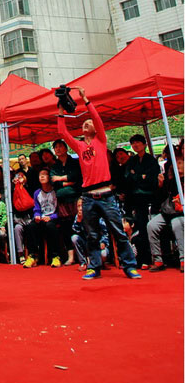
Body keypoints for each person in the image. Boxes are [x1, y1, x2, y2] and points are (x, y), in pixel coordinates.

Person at [57, 86, 140, 279]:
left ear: (95, 128)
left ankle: (129, 266)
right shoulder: (79, 146)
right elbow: (62, 132)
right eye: (84, 123)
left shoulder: (101, 140)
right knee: (92, 235)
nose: (87, 123)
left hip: (106, 195)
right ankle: (94, 267)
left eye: (89, 122)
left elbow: (97, 118)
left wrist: (85, 99)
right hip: (88, 196)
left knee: (118, 232)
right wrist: (61, 109)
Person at [124, 134, 160, 266]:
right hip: (135, 199)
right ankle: (142, 258)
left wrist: (137, 176)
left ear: (144, 144)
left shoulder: (151, 160)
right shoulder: (132, 161)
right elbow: (128, 177)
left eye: (138, 142)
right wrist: (141, 176)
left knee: (147, 227)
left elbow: (151, 179)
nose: (135, 145)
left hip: (148, 197)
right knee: (139, 227)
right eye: (133, 143)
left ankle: (152, 257)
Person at [147, 157, 184, 273]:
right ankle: (158, 260)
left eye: (180, 162)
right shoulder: (170, 181)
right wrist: (160, 185)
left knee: (177, 224)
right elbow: (160, 198)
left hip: (181, 213)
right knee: (151, 225)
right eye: (176, 163)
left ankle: (183, 259)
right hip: (169, 212)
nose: (177, 165)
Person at [50, 138, 82, 265]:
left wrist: (61, 179)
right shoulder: (55, 166)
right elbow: (53, 181)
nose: (58, 149)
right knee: (66, 228)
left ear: (66, 148)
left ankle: (83, 254)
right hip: (62, 200)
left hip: (75, 198)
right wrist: (68, 182)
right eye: (55, 147)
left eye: (60, 146)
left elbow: (77, 177)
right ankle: (71, 256)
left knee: (79, 224)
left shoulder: (74, 162)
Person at [23, 169, 60, 268]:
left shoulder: (55, 191)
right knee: (30, 227)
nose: (42, 177)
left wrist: (51, 217)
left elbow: (60, 210)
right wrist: (37, 215)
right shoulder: (37, 193)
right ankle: (33, 256)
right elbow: (36, 208)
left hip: (53, 218)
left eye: (44, 175)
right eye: (40, 175)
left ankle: (55, 256)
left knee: (50, 227)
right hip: (41, 218)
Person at [71, 197, 109, 268]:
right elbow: (75, 231)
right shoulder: (78, 216)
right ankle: (83, 263)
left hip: (98, 244)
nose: (80, 208)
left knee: (103, 254)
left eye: (82, 206)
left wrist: (103, 242)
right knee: (74, 238)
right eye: (78, 206)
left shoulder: (96, 216)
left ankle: (97, 262)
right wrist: (78, 221)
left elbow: (105, 232)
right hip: (86, 243)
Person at [11, 170, 36, 265]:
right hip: (19, 218)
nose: (19, 178)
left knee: (31, 228)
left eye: (21, 176)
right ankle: (20, 254)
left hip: (29, 217)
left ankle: (32, 254)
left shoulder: (29, 189)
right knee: (17, 229)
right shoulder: (13, 190)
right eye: (17, 176)